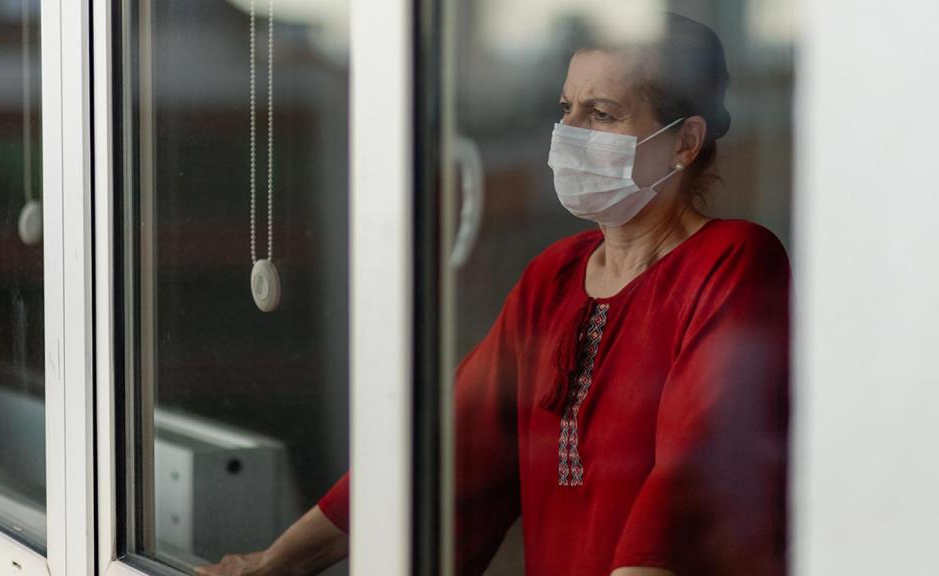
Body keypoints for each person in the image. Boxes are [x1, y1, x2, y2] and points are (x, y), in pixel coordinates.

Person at [199, 12, 789, 576]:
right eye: (567, 109)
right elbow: (449, 455)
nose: (569, 133)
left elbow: (688, 484)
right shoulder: (553, 277)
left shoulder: (733, 261)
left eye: (602, 114)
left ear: (684, 142)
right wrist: (276, 561)